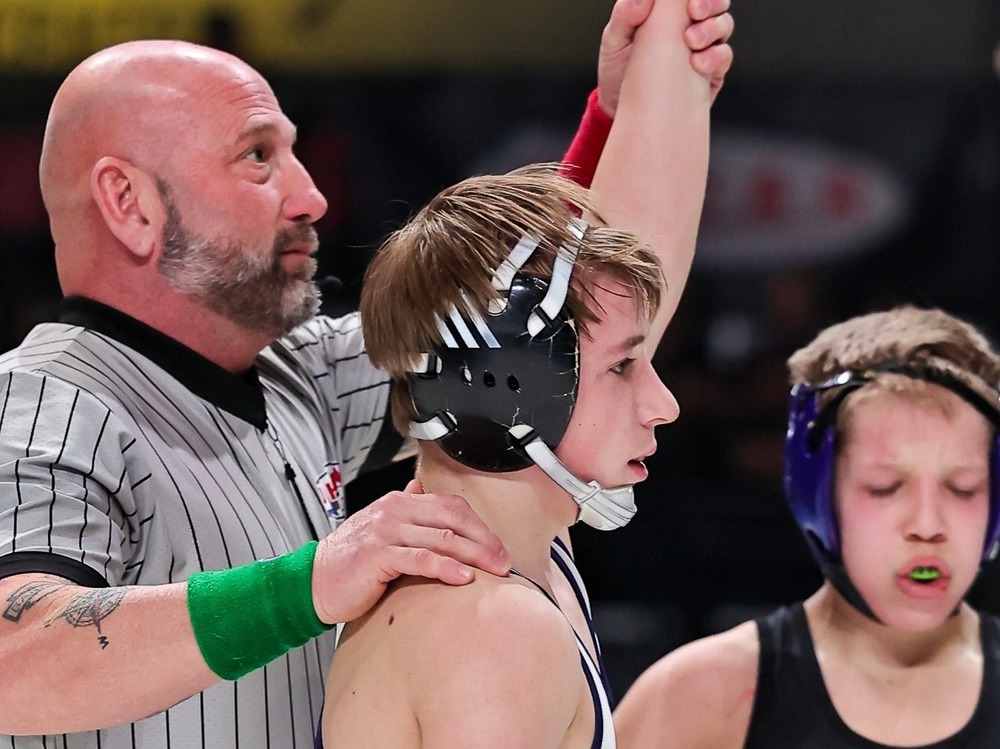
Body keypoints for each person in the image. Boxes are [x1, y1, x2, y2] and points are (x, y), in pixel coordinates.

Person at [0, 0, 733, 746]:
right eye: (258, 156)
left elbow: (545, 333)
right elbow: (9, 662)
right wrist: (312, 581)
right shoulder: (42, 403)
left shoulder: (298, 376)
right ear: (129, 202)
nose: (310, 194)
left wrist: (627, 110)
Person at [320, 0, 714, 743]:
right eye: (627, 368)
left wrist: (664, 78)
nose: (664, 404)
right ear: (511, 389)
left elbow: (609, 284)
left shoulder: (516, 561)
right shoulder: (490, 627)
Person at [614, 304, 1000, 748]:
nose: (928, 526)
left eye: (963, 488)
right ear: (818, 495)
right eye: (885, 487)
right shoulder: (704, 696)